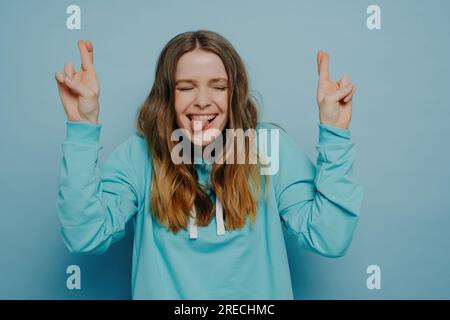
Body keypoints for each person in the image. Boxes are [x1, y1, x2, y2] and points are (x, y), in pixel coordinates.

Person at [55, 30, 363, 299]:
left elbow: (330, 237)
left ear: (234, 95)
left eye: (217, 86)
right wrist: (83, 127)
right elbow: (85, 235)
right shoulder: (140, 155)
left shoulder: (268, 147)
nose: (202, 100)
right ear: (166, 96)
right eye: (186, 87)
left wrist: (334, 134)